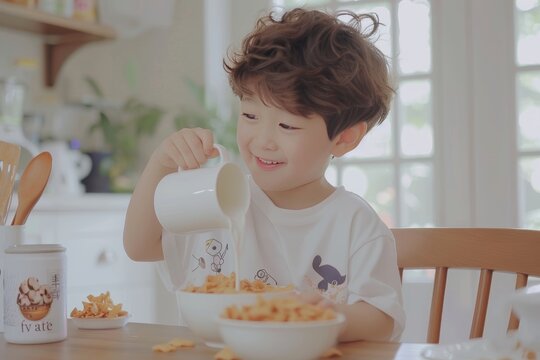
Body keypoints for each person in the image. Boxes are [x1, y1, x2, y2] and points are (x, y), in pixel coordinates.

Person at [123, 7, 405, 342]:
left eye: (287, 125)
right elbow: (139, 246)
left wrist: (327, 316)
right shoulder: (219, 199)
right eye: (250, 116)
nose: (262, 141)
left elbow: (382, 318)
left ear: (344, 138)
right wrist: (162, 163)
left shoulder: (354, 223)